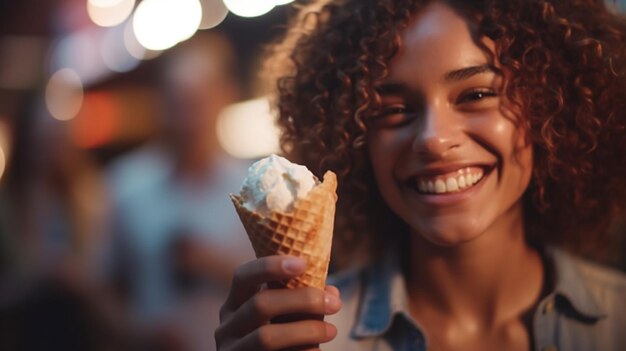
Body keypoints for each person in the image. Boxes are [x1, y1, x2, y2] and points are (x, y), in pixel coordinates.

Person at [215, 0, 626, 350]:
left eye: (476, 95)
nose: (432, 139)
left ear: (549, 108)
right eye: (392, 110)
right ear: (356, 141)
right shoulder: (310, 340)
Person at [102, 31, 254, 350]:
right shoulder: (125, 185)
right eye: (178, 101)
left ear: (226, 96)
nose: (188, 117)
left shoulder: (252, 191)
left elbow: (279, 289)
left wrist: (217, 265)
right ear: (161, 102)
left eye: (197, 101)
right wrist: (137, 332)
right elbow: (103, 290)